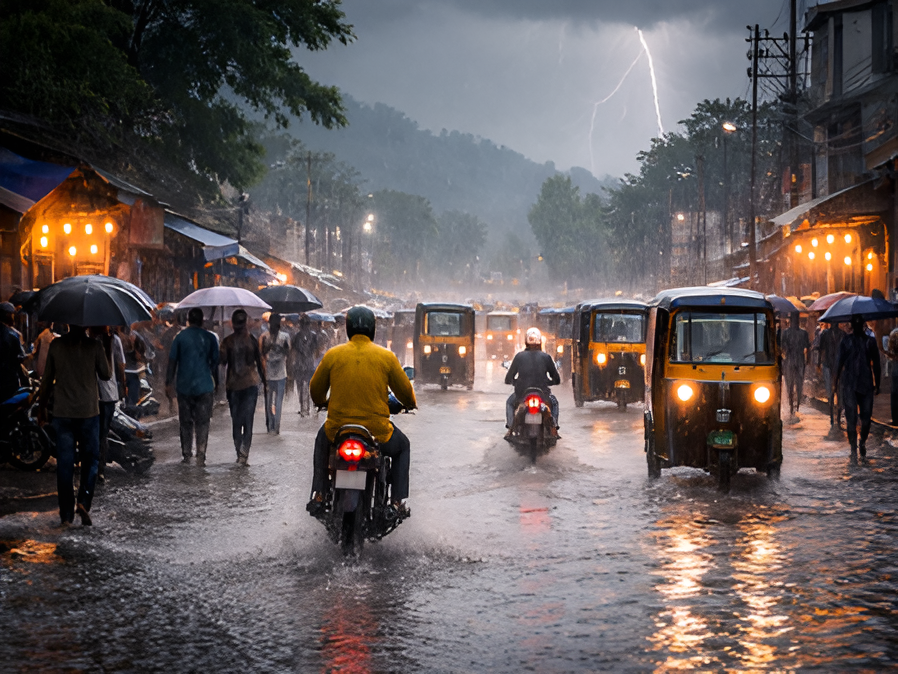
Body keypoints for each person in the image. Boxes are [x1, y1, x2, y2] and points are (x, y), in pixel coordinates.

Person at [307, 305, 417, 517]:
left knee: (321, 441)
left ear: (348, 328)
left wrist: (323, 402)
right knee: (403, 447)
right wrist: (409, 404)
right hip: (377, 431)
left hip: (337, 430)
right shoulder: (386, 357)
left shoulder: (333, 355)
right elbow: (405, 392)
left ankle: (319, 495)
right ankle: (396, 502)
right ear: (373, 329)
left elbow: (315, 388)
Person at [37, 324, 111, 526]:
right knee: (91, 460)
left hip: (63, 413)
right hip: (88, 413)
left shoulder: (57, 345)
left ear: (68, 324)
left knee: (64, 463)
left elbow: (46, 380)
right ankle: (84, 501)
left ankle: (66, 516)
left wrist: (42, 408)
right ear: (86, 324)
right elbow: (106, 374)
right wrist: (107, 346)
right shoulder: (94, 346)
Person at [166, 308, 219, 466]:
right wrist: (217, 383)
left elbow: (172, 361)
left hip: (184, 386)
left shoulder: (180, 337)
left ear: (188, 320)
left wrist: (168, 382)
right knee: (203, 422)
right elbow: (215, 363)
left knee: (185, 422)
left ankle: (186, 454)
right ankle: (201, 453)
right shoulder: (210, 337)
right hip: (205, 386)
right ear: (202, 321)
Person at [219, 309, 265, 466]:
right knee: (247, 421)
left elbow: (222, 361)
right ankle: (243, 453)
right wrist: (264, 382)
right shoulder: (252, 340)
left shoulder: (228, 342)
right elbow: (259, 363)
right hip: (249, 384)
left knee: (237, 421)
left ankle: (240, 451)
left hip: (234, 386)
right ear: (246, 323)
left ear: (233, 324)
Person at [834, 314, 881, 458]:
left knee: (866, 419)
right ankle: (853, 449)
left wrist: (878, 384)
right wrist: (835, 383)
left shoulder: (870, 342)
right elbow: (839, 363)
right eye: (856, 324)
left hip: (865, 385)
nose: (858, 326)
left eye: (860, 324)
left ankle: (862, 443)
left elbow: (877, 364)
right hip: (849, 384)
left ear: (863, 325)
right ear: (853, 326)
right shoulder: (845, 341)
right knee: (851, 419)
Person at [504, 327, 561, 439]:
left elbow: (508, 378)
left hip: (521, 393)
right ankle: (554, 428)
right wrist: (549, 382)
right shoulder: (546, 357)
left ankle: (510, 429)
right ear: (540, 341)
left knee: (510, 403)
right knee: (554, 403)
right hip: (543, 393)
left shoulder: (519, 356)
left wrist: (516, 382)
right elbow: (557, 379)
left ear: (526, 341)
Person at [91, 326, 125, 483]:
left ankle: (94, 467)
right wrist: (123, 385)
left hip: (93, 395)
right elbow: (121, 364)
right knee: (102, 434)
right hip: (109, 394)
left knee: (94, 433)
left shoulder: (91, 342)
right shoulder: (114, 340)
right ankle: (100, 469)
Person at [260, 312, 290, 434]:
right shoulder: (269, 337)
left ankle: (273, 426)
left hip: (275, 373)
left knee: (272, 401)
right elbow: (288, 353)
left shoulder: (269, 337)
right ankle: (274, 426)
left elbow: (263, 354)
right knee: (274, 401)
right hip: (275, 373)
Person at [780, 312, 810, 418]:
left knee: (794, 384)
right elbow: (807, 348)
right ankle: (794, 405)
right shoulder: (802, 333)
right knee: (795, 384)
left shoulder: (788, 333)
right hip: (796, 360)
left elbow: (783, 348)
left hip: (792, 360)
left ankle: (794, 405)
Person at [816, 320, 844, 427]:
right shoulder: (825, 334)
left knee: (839, 392)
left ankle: (838, 417)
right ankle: (832, 417)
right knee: (830, 392)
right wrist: (819, 363)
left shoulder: (842, 334)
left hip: (839, 366)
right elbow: (821, 350)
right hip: (828, 365)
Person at [291, 315, 318, 416]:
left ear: (300, 324)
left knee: (299, 386)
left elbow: (293, 350)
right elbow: (315, 350)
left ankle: (302, 407)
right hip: (309, 363)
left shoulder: (296, 335)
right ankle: (309, 407)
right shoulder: (314, 336)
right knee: (310, 385)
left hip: (299, 363)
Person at [0, 302, 26, 403]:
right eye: (12, 314)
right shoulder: (12, 335)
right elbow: (20, 358)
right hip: (8, 385)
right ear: (8, 315)